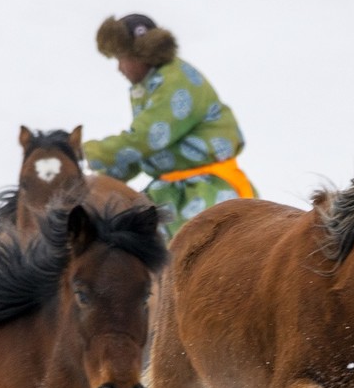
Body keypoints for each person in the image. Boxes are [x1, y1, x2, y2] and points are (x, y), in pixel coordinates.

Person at [84, 13, 256, 237]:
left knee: (185, 254)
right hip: (171, 192)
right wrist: (96, 178)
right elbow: (141, 155)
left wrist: (82, 151)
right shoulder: (148, 86)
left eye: (121, 58)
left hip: (206, 192)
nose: (119, 68)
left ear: (141, 55)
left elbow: (144, 140)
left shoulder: (175, 82)